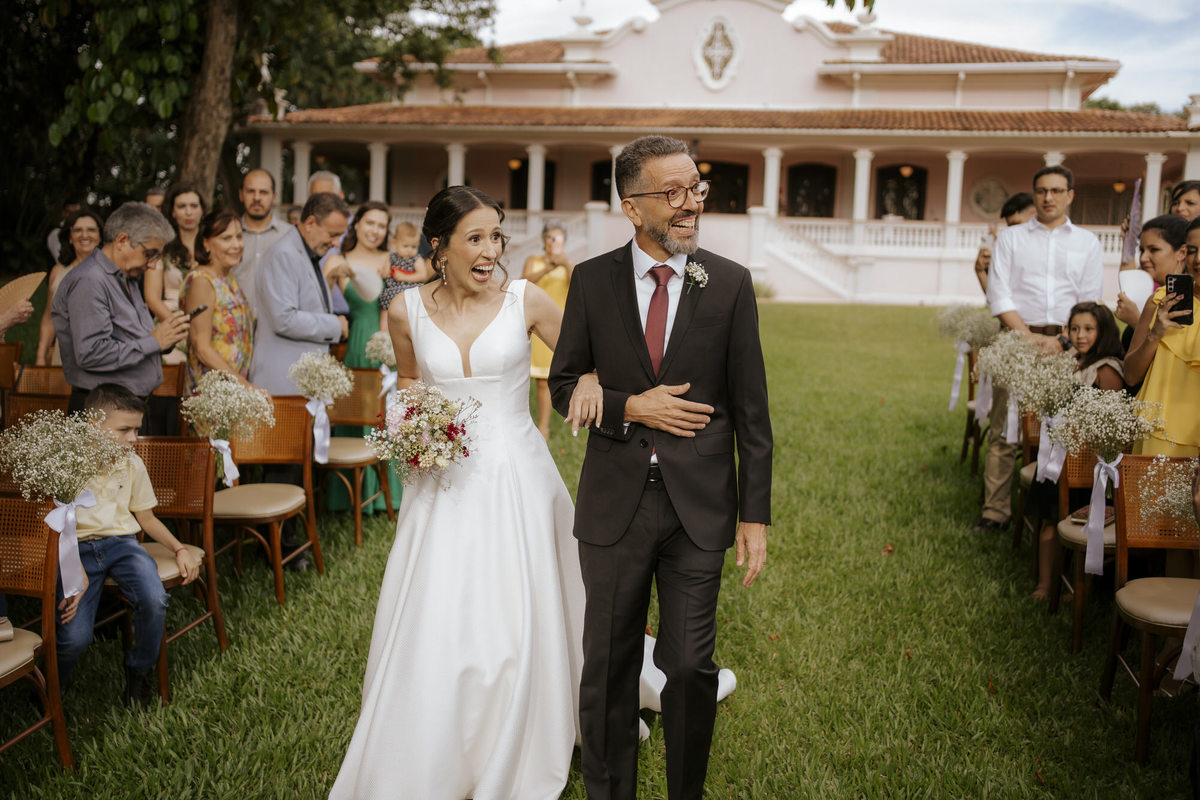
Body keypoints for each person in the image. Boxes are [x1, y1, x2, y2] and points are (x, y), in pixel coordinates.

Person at [549, 135, 772, 800]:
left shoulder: (728, 283)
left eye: (696, 188)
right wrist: (630, 406)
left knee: (692, 665)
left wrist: (753, 515)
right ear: (631, 207)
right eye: (671, 192)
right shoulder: (591, 281)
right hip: (615, 506)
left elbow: (751, 412)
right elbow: (564, 384)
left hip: (699, 508)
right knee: (609, 664)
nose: (689, 203)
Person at [975, 165, 1104, 535]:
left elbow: (1089, 299)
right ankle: (995, 513)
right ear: (1034, 194)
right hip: (1017, 339)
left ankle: (1054, 514)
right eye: (1042, 190)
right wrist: (1029, 337)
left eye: (1057, 190)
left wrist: (1063, 340)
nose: (1049, 197)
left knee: (1061, 430)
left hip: (1070, 344)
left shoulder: (1087, 243)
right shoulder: (1011, 239)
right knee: (1004, 429)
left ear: (1070, 195)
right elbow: (999, 295)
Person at [55, 384, 200, 708]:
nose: (134, 438)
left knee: (154, 598)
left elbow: (146, 519)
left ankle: (140, 671)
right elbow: (55, 522)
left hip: (122, 545)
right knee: (74, 639)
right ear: (94, 424)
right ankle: (53, 688)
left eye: (137, 429)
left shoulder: (132, 464)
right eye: (125, 430)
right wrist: (73, 567)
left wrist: (179, 548)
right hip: (75, 550)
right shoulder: (65, 461)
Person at [51, 201, 190, 423]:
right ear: (122, 240)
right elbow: (91, 352)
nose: (153, 265)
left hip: (128, 408)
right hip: (103, 412)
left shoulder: (127, 276)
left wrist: (168, 336)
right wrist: (154, 341)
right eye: (150, 254)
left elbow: (132, 337)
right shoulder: (90, 280)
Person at [1030, 301, 1125, 600]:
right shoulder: (1074, 360)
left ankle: (1078, 588)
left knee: (1080, 523)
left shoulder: (1106, 369)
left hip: (1084, 464)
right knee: (1048, 519)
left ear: (1104, 331)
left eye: (1088, 329)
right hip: (1059, 456)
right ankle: (1045, 585)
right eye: (1075, 328)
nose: (1080, 335)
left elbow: (1111, 422)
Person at [321, 201, 401, 515]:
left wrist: (387, 347)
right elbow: (322, 299)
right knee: (354, 415)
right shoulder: (338, 259)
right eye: (370, 223)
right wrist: (333, 276)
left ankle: (384, 496)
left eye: (381, 225)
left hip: (385, 344)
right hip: (355, 344)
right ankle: (350, 496)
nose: (375, 230)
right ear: (357, 224)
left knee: (386, 416)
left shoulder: (391, 260)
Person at [248, 192, 349, 394]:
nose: (337, 243)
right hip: (283, 383)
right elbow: (283, 319)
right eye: (333, 234)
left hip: (300, 382)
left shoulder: (306, 251)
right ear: (310, 223)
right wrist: (335, 325)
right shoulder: (283, 254)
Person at [1124, 215, 1200, 457]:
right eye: (1193, 250)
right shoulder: (1159, 300)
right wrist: (1154, 334)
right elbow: (1131, 375)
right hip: (1161, 434)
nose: (1198, 260)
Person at [180, 211, 255, 393]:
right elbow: (202, 348)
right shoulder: (201, 281)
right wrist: (244, 385)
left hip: (234, 390)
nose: (236, 245)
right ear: (206, 243)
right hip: (211, 395)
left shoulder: (230, 278)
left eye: (239, 237)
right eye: (226, 238)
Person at [523, 219, 573, 440]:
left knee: (550, 378)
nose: (553, 242)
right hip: (534, 325)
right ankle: (534, 424)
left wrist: (564, 263)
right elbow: (524, 283)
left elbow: (577, 283)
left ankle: (547, 424)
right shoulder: (533, 261)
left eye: (558, 238)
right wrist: (547, 267)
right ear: (544, 240)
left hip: (557, 324)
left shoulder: (567, 264)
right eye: (550, 237)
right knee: (535, 380)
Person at [37, 207, 104, 365]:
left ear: (100, 236)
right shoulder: (58, 272)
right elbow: (49, 319)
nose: (85, 235)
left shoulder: (112, 271)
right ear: (69, 237)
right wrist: (40, 357)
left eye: (91, 230)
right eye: (78, 230)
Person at [1115, 214, 1189, 328]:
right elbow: (1128, 286)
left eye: (1154, 250)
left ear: (1181, 253)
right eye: (1141, 250)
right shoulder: (1154, 293)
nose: (1143, 258)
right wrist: (1128, 243)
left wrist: (1137, 321)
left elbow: (1171, 344)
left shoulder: (1184, 300)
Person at [148, 182, 206, 326]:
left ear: (202, 210)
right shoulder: (160, 248)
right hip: (172, 323)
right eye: (181, 206)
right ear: (172, 212)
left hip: (210, 322)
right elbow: (152, 298)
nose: (188, 212)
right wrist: (181, 326)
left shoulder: (214, 245)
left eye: (194, 206)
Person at [234, 169, 287, 315]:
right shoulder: (228, 235)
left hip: (276, 328)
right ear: (241, 195)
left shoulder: (290, 236)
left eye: (263, 192)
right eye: (251, 191)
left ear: (274, 196)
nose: (257, 198)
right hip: (235, 324)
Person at [973, 192, 1036, 293]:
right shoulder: (1008, 251)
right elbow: (995, 299)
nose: (1011, 232)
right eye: (1009, 227)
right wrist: (980, 271)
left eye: (1016, 225)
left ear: (1034, 215)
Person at [378, 221, 432, 332]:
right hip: (392, 292)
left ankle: (411, 331)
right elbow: (386, 272)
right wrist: (383, 272)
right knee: (385, 310)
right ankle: (383, 333)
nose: (410, 250)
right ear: (395, 244)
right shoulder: (391, 257)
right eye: (405, 246)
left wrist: (404, 277)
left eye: (414, 246)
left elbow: (422, 275)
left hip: (409, 293)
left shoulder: (416, 259)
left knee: (412, 315)